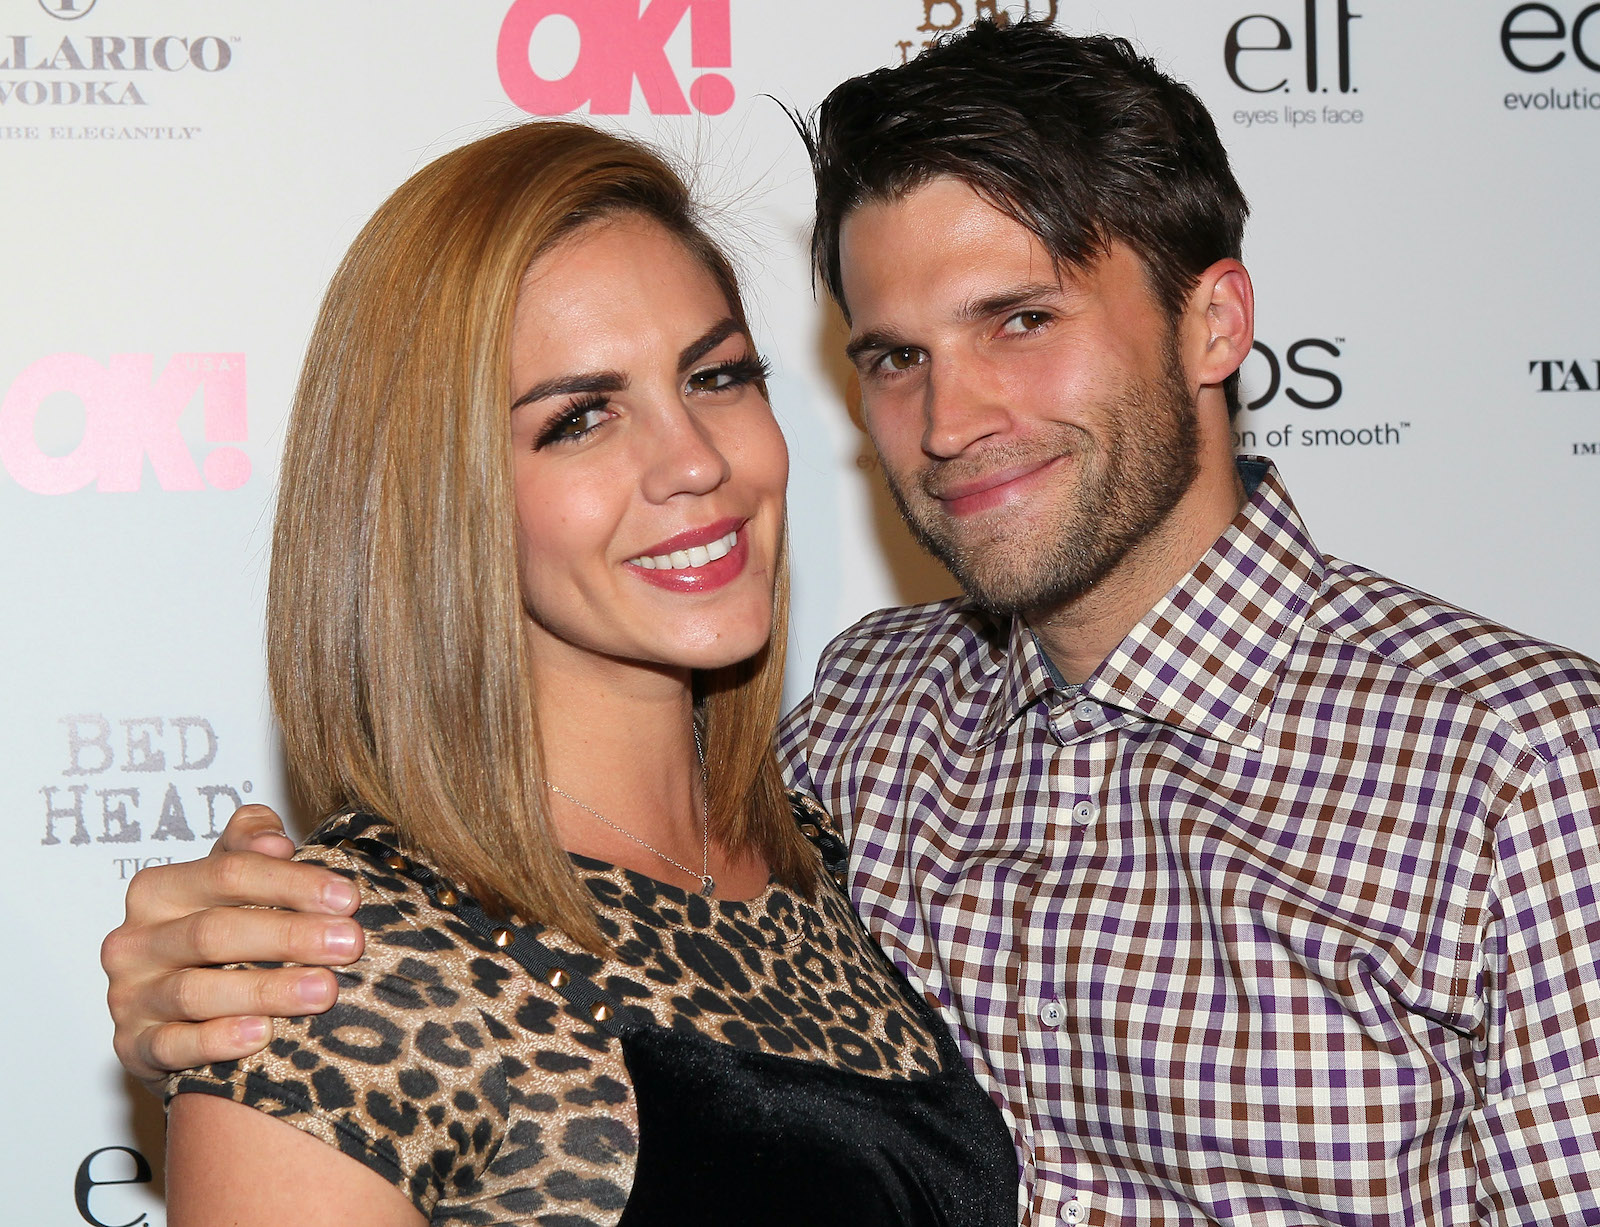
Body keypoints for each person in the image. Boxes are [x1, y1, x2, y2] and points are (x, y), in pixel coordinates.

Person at [102, 20, 1600, 1226]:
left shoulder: (1522, 769)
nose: (952, 418)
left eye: (1021, 319)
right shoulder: (873, 727)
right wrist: (214, 986)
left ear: (1214, 321)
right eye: (892, 356)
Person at [146, 119, 1017, 1227]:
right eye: (581, 419)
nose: (695, 459)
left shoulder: (831, 862)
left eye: (716, 376)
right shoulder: (343, 971)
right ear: (438, 496)